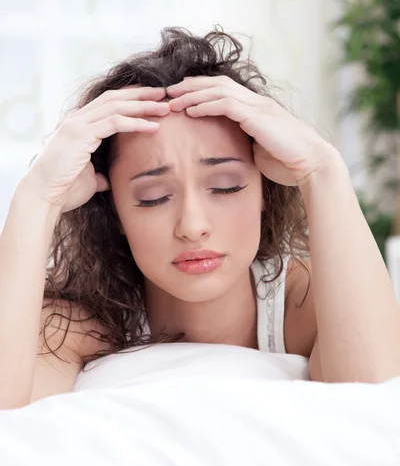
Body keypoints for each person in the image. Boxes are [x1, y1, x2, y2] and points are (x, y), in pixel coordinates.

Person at [1, 27, 399, 410]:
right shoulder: (78, 324)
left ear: (265, 191)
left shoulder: (306, 302)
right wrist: (37, 198)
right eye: (154, 197)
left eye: (225, 186)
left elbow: (374, 404)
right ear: (116, 212)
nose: (193, 226)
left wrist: (323, 171)